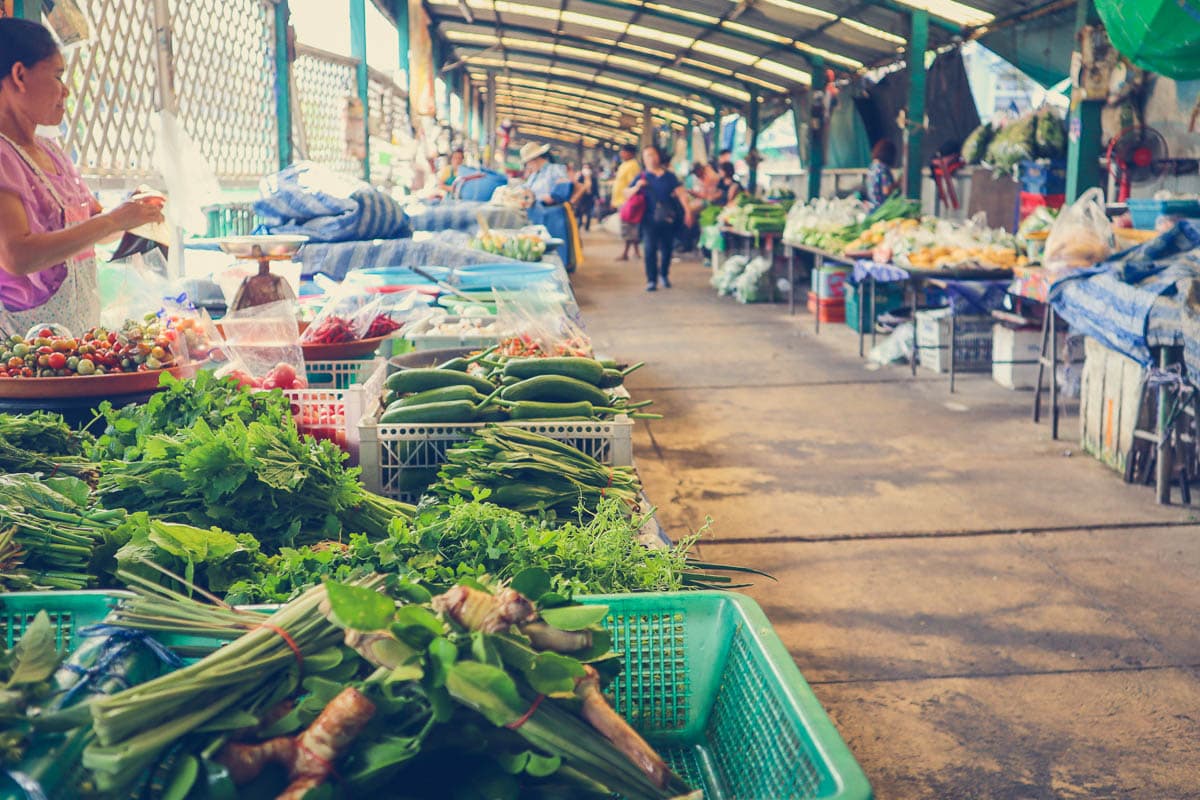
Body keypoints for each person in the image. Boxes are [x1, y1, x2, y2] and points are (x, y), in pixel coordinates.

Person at [0, 18, 163, 333]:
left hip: (75, 338)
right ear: (19, 75)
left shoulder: (53, 153)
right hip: (19, 352)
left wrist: (134, 213)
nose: (67, 89)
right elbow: (16, 256)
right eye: (58, 75)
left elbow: (91, 228)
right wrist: (115, 220)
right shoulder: (4, 157)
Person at [629, 145, 694, 292]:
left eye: (652, 154)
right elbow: (626, 194)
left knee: (667, 249)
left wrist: (688, 212)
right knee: (649, 249)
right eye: (647, 156)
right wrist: (637, 187)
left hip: (668, 219)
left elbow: (681, 194)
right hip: (648, 220)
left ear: (658, 156)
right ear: (643, 160)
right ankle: (651, 280)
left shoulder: (669, 177)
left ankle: (664, 274)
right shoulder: (641, 177)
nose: (650, 158)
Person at [610, 143, 641, 261]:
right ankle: (635, 252)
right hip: (621, 201)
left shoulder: (633, 166)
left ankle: (627, 253)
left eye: (623, 151)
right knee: (628, 227)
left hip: (627, 202)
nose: (621, 153)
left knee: (628, 227)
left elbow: (633, 185)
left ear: (630, 153)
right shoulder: (624, 164)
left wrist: (630, 202)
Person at [866, 139, 897, 211]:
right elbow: (886, 190)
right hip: (883, 208)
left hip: (872, 207)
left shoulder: (872, 167)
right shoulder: (883, 168)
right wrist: (898, 183)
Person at [573, 164, 597, 231]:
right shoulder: (580, 178)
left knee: (589, 213)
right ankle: (579, 224)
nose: (586, 170)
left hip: (590, 198)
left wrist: (597, 197)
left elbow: (596, 189)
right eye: (584, 168)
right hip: (581, 198)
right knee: (580, 212)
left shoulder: (593, 179)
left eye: (587, 168)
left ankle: (587, 226)